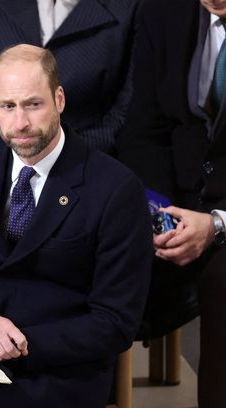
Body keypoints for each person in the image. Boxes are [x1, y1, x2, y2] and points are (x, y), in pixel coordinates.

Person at [0, 44, 152, 407]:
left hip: (57, 366)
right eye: (8, 106)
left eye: (33, 104)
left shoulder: (115, 188)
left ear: (59, 99)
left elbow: (114, 322)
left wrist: (13, 343)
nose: (20, 123)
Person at [117, 1, 226, 406]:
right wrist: (155, 212)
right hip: (178, 194)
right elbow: (145, 126)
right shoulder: (165, 9)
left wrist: (216, 223)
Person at [0, 0, 139, 154]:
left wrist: (63, 160)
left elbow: (128, 110)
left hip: (85, 164)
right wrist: (2, 156)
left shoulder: (132, 7)